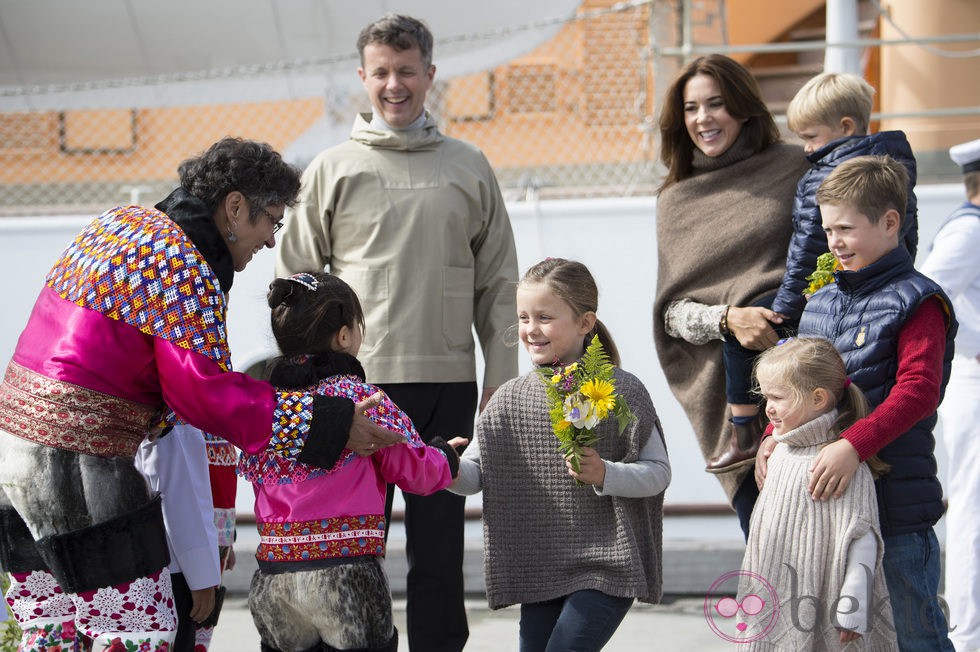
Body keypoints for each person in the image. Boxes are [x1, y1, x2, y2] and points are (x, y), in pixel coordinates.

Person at [0, 137, 402, 652]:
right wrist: (332, 421)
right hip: (80, 463)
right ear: (234, 207)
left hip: (14, 458)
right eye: (270, 222)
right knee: (137, 633)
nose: (271, 241)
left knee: (55, 633)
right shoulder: (182, 261)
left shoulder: (121, 222)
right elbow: (204, 395)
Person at [275, 13, 518, 651]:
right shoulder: (330, 169)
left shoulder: (470, 166)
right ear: (363, 77)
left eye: (406, 71)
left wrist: (499, 380)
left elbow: (499, 285)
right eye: (380, 72)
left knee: (438, 554)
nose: (394, 84)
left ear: (430, 74)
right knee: (353, 550)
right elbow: (294, 286)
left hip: (449, 386)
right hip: (356, 395)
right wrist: (307, 384)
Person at [756, 155, 957, 650]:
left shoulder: (919, 300)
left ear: (890, 222)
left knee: (916, 636)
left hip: (897, 509)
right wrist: (771, 438)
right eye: (827, 230)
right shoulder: (820, 301)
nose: (834, 242)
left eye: (846, 228)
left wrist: (853, 445)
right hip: (826, 514)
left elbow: (918, 390)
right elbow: (798, 382)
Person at [451, 258, 671, 652]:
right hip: (539, 568)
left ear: (585, 323)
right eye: (523, 317)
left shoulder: (622, 390)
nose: (531, 329)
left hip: (608, 564)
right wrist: (443, 466)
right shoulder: (507, 401)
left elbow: (657, 472)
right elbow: (477, 476)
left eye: (544, 317)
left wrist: (605, 472)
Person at [239, 271, 465, 652]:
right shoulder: (362, 401)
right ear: (345, 336)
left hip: (275, 577)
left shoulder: (270, 408)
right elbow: (413, 469)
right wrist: (446, 457)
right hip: (347, 577)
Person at [652, 53, 809, 536]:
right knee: (769, 548)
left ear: (743, 108)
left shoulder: (795, 168)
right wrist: (728, 319)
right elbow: (671, 314)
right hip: (731, 396)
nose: (703, 118)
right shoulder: (676, 199)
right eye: (692, 108)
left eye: (716, 104)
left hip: (808, 378)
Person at [737, 337, 897, 650]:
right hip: (775, 590)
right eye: (764, 396)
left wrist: (854, 602)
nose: (768, 408)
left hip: (824, 596)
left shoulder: (838, 460)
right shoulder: (779, 452)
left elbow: (861, 534)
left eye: (777, 397)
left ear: (818, 398)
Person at [772, 71, 919, 325]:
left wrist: (784, 309)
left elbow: (806, 247)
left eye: (811, 137)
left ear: (846, 126)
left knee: (738, 348)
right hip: (890, 286)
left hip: (833, 297)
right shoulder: (894, 167)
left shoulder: (823, 176)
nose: (806, 148)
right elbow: (909, 232)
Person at [920, 137, 980, 652]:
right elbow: (931, 298)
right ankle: (970, 634)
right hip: (977, 380)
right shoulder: (969, 233)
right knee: (973, 510)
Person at [135, 424, 221, 651]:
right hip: (170, 570)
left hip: (125, 566)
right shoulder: (173, 424)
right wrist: (202, 580)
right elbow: (184, 506)